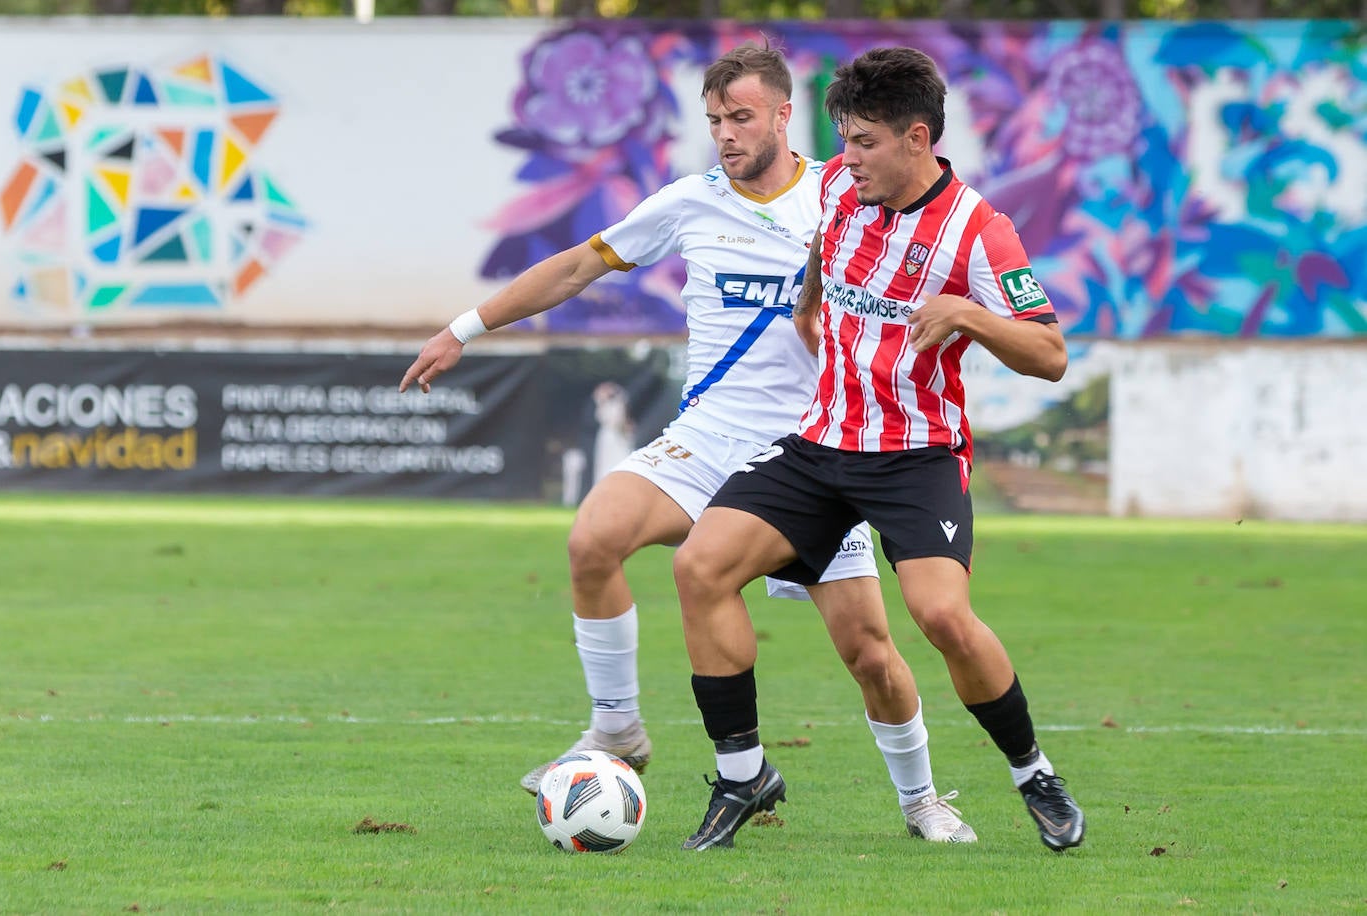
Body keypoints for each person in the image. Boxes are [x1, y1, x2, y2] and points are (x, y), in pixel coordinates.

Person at [399, 43, 976, 846]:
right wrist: (463, 329)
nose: (726, 135)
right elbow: (574, 269)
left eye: (740, 117)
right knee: (594, 537)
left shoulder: (849, 196)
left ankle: (921, 801)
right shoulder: (689, 203)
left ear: (783, 115)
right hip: (706, 440)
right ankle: (617, 730)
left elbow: (932, 254)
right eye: (713, 121)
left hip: (815, 452)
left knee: (870, 654)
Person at [670, 46, 1086, 853]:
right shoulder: (834, 188)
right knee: (699, 566)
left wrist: (969, 316)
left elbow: (1051, 354)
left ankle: (1033, 774)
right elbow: (822, 251)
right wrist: (808, 305)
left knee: (941, 618)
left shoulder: (979, 230)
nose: (844, 157)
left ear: (916, 137)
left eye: (862, 141)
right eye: (844, 139)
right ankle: (743, 774)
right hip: (821, 445)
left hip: (915, 456)